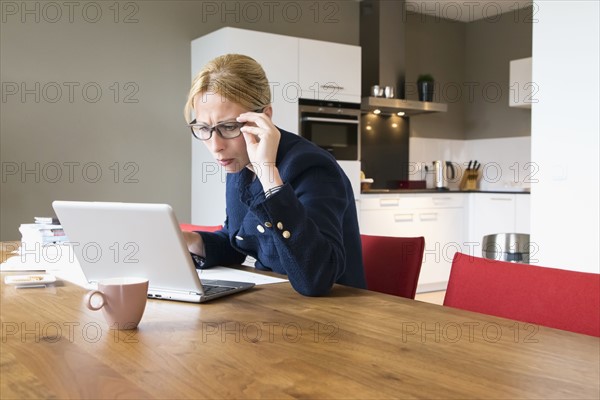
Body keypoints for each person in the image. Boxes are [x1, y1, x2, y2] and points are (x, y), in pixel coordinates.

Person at [182, 54, 365, 296]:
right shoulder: (239, 161)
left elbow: (316, 278)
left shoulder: (312, 166)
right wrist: (189, 240)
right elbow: (238, 239)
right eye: (204, 128)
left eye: (228, 127)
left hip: (334, 315)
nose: (215, 146)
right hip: (275, 305)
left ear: (264, 117)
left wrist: (269, 175)